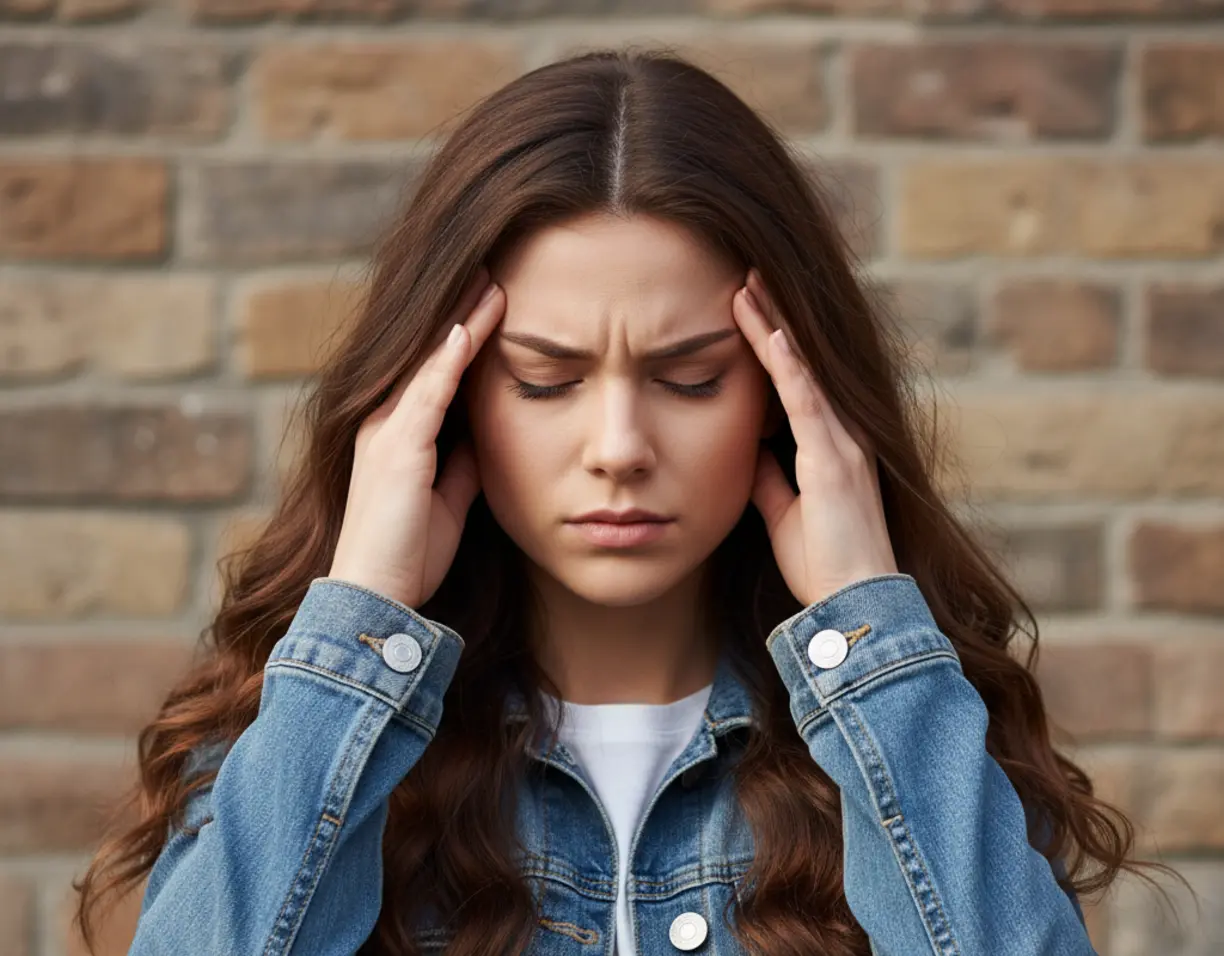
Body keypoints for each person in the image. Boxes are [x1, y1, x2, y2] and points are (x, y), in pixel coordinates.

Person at [74, 47, 1175, 956]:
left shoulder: (915, 730)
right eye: (544, 380)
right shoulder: (299, 735)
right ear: (444, 397)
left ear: (787, 396)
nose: (618, 448)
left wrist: (869, 632)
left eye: (691, 376)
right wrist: (362, 612)